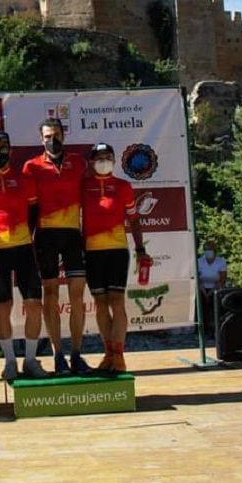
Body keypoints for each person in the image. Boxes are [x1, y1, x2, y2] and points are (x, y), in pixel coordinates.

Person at [0, 130, 48, 381]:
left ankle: (31, 360)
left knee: (34, 304)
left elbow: (34, 211)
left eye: (2, 147)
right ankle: (10, 361)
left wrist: (27, 235)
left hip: (24, 249)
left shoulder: (25, 180)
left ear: (10, 150)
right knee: (3, 306)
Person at [22, 117, 91, 375]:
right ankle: (57, 354)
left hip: (73, 234)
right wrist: (26, 238)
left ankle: (76, 354)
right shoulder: (32, 167)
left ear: (64, 135)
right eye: (48, 136)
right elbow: (28, 206)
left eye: (57, 135)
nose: (53, 140)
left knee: (77, 296)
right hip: (46, 235)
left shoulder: (78, 163)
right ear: (41, 139)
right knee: (49, 294)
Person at [81, 143, 149, 372]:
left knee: (117, 301)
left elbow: (134, 219)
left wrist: (140, 249)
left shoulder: (123, 186)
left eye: (108, 156)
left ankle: (119, 355)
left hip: (117, 249)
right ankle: (108, 353)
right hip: (91, 251)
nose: (104, 160)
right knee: (100, 303)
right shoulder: (84, 186)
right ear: (91, 161)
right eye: (100, 157)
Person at [195, 240, 227, 333]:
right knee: (201, 304)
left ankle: (217, 328)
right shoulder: (199, 261)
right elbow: (197, 278)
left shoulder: (221, 261)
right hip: (201, 288)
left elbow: (222, 279)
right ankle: (202, 329)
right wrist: (204, 292)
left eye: (210, 249)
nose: (208, 251)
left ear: (215, 250)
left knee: (216, 306)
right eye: (206, 249)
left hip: (216, 288)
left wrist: (211, 292)